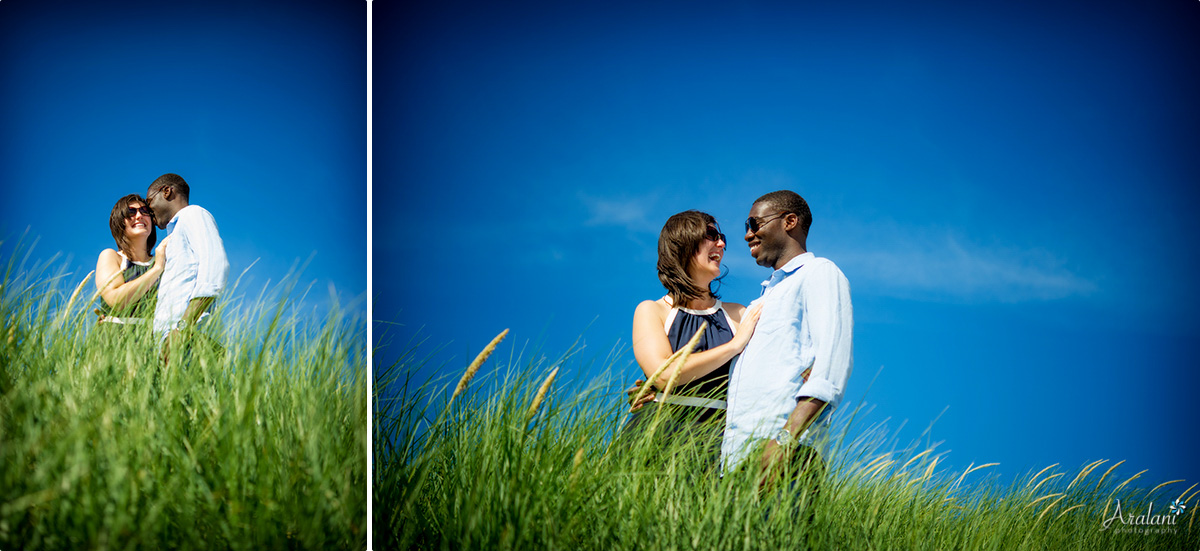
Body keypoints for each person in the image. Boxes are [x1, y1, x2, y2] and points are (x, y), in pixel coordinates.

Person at [721, 190, 853, 492]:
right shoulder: (761, 301)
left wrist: (783, 440)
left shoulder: (820, 273)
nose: (747, 235)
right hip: (736, 462)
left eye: (754, 224)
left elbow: (830, 370)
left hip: (788, 454)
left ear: (789, 221)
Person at [624, 210, 762, 468]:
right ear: (683, 244)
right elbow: (663, 375)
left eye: (722, 238)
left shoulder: (739, 314)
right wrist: (734, 345)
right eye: (711, 235)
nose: (721, 243)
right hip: (659, 435)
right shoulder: (652, 311)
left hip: (721, 443)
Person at [145, 173, 230, 364]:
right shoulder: (174, 234)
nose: (148, 210)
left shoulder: (193, 214)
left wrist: (182, 329)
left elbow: (215, 267)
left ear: (167, 191)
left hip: (190, 337)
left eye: (149, 201)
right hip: (175, 341)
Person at [94, 194, 169, 335]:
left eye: (145, 211)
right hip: (116, 341)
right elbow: (115, 300)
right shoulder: (111, 256)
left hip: (155, 341)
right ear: (119, 222)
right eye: (131, 212)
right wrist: (157, 269)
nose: (139, 216)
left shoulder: (164, 260)